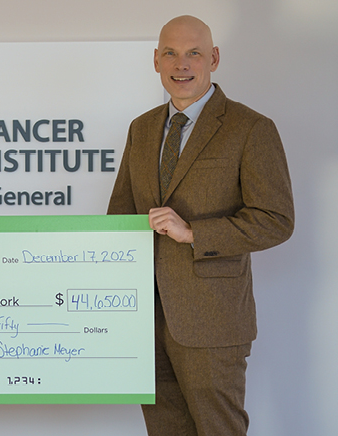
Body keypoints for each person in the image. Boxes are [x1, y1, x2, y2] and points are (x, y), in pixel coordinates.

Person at [107, 16, 294, 435]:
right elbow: (119, 219)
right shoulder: (141, 129)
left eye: (194, 52)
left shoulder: (251, 129)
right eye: (170, 52)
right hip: (146, 321)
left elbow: (276, 220)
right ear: (156, 60)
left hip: (212, 320)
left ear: (214, 58)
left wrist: (193, 233)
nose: (182, 63)